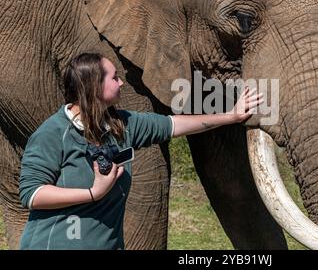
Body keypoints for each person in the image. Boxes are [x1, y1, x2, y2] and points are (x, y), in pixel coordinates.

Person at [18, 52, 263, 250]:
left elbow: (173, 125)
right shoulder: (52, 134)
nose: (121, 82)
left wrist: (231, 116)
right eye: (114, 78)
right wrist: (93, 193)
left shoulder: (122, 125)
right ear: (94, 87)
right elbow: (32, 194)